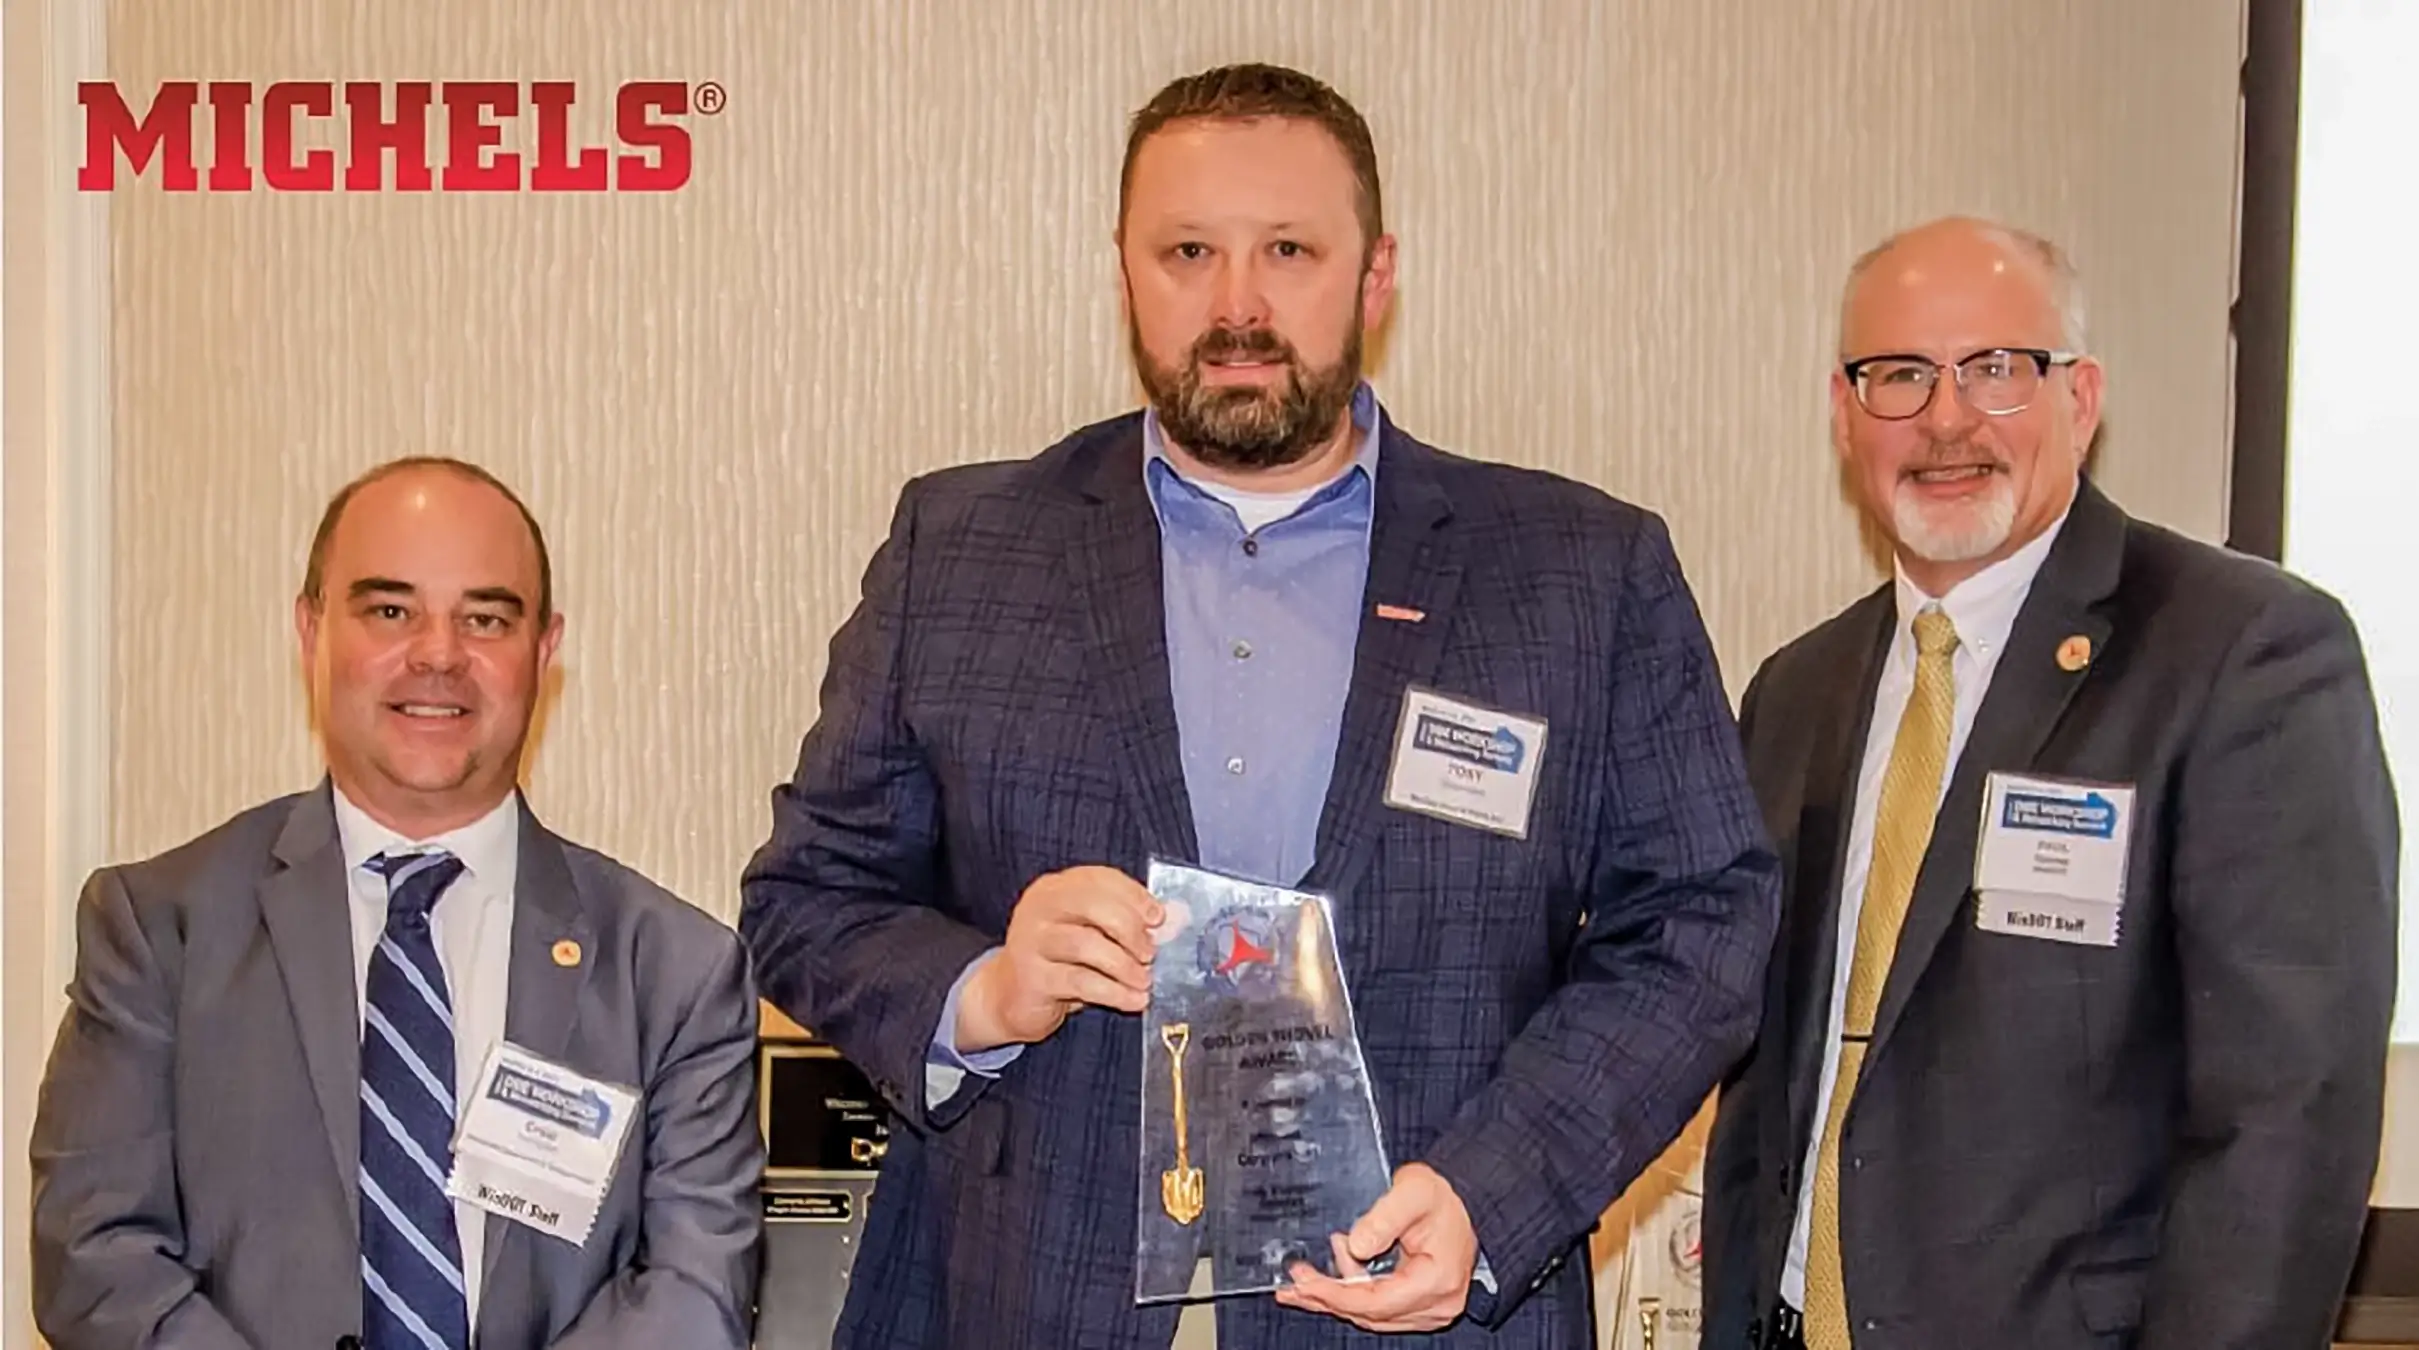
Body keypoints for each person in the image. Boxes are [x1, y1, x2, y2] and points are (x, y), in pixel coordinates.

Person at [739, 62, 1779, 1350]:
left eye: (1288, 249)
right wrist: (981, 992)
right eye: (1187, 252)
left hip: (1421, 1308)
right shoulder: (961, 547)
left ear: (1373, 275)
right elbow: (805, 898)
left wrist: (1493, 1193)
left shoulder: (1577, 571)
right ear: (1126, 271)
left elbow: (1700, 929)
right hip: (1017, 1294)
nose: (1236, 305)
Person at [1700, 215, 2400, 1350]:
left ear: (2081, 399)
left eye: (1996, 369)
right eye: (1899, 376)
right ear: (1843, 415)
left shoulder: (2242, 653)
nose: (1945, 418)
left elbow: (2289, 1117)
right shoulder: (1797, 689)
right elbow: (1760, 1078)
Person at [30, 458, 764, 1349]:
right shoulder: (157, 932)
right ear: (311, 632)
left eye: (486, 618)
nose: (439, 654)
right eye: (389, 611)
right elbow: (95, 1259)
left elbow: (691, 1292)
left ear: (542, 651)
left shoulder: (675, 971)